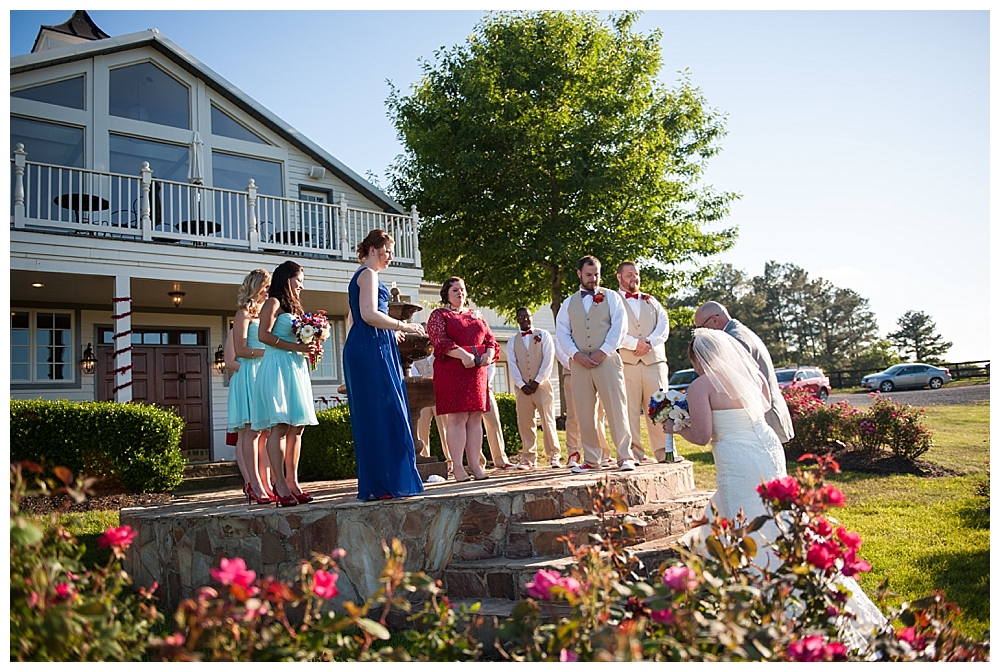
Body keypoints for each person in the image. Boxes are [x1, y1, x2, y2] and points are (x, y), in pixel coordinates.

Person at [668, 328, 885, 648]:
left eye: (696, 363)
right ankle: (801, 579)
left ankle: (758, 597)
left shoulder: (701, 385)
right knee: (776, 515)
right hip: (767, 448)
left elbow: (701, 435)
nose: (698, 369)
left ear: (699, 359)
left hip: (736, 457)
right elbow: (766, 404)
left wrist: (675, 426)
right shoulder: (751, 376)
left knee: (744, 518)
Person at [343, 229, 426, 501]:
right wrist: (403, 325)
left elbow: (351, 317)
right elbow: (368, 314)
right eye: (387, 250)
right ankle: (385, 483)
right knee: (383, 412)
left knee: (379, 412)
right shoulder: (368, 274)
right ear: (373, 250)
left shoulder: (362, 275)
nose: (390, 256)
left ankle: (383, 483)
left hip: (370, 344)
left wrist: (388, 331)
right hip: (370, 349)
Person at [555, 255, 638, 473]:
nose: (593, 279)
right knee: (584, 412)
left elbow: (619, 327)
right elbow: (562, 332)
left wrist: (603, 352)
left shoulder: (611, 297)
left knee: (616, 409)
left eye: (596, 275)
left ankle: (625, 456)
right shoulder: (568, 303)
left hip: (608, 361)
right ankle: (592, 459)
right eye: (589, 274)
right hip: (580, 364)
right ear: (579, 274)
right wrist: (575, 355)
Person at [251, 260, 319, 508]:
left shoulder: (295, 308)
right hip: (277, 366)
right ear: (287, 278)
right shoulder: (273, 302)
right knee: (279, 425)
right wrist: (296, 347)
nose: (301, 285)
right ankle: (278, 483)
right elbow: (263, 336)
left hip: (295, 367)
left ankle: (293, 482)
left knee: (297, 426)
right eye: (298, 280)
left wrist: (310, 345)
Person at [426, 276, 498, 482]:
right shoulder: (439, 315)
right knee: (458, 417)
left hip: (477, 371)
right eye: (455, 290)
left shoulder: (476, 314)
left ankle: (475, 465)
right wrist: (462, 355)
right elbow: (439, 341)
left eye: (463, 290)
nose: (460, 293)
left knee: (475, 417)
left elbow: (490, 338)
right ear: (446, 294)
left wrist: (490, 354)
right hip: (452, 370)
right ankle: (457, 467)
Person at [693, 301, 794, 443]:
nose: (700, 333)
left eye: (700, 327)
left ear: (715, 320)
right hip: (765, 416)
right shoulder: (740, 331)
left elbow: (734, 384)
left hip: (762, 420)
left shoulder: (735, 339)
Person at [616, 261, 678, 465]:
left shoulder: (652, 301)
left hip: (654, 362)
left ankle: (665, 451)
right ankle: (633, 454)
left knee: (660, 407)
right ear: (619, 277)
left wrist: (648, 343)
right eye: (628, 275)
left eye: (636, 274)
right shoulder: (613, 301)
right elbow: (611, 329)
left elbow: (664, 325)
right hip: (627, 363)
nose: (633, 278)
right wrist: (634, 343)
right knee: (629, 410)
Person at [228, 268, 275, 504]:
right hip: (250, 373)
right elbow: (240, 350)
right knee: (251, 431)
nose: (268, 292)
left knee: (266, 433)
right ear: (255, 287)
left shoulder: (266, 313)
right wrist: (266, 352)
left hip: (264, 374)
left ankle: (267, 483)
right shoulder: (243, 313)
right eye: (265, 287)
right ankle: (254, 484)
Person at [506, 307, 562, 469]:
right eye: (521, 317)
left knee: (548, 420)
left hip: (542, 386)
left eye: (527, 316)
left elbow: (548, 359)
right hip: (522, 388)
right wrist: (522, 384)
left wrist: (537, 381)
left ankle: (554, 455)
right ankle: (529, 457)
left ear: (532, 317)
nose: (524, 319)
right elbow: (512, 364)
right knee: (525, 423)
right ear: (517, 319)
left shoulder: (543, 335)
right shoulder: (512, 341)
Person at [555, 334, 611, 468]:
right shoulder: (565, 317)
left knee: (598, 414)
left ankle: (603, 452)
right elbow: (560, 346)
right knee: (574, 414)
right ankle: (574, 453)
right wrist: (575, 364)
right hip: (573, 371)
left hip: (597, 367)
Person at [412, 349, 450, 460]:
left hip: (440, 395)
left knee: (445, 428)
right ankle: (424, 457)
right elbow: (415, 374)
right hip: (423, 396)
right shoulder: (416, 357)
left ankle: (451, 459)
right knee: (421, 429)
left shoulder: (441, 354)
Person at [483, 363, 518, 470]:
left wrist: (484, 382)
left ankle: (500, 460)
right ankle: (477, 461)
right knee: (471, 425)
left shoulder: (488, 346)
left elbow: (490, 365)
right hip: (467, 387)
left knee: (494, 423)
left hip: (485, 388)